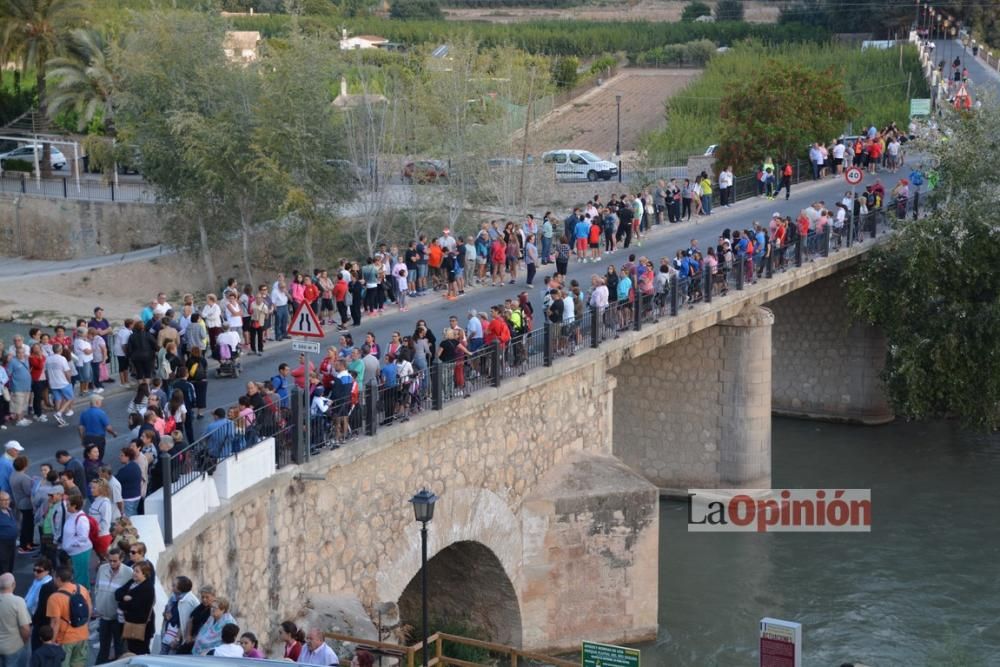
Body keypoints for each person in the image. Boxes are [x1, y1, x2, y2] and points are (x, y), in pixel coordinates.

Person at [46, 566, 92, 667]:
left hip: (65, 639)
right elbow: (89, 609)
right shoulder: (82, 589)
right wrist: (85, 627)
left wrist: (51, 642)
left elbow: (55, 622)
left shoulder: (55, 598)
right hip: (82, 636)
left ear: (58, 578)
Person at [94, 548, 132, 664]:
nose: (112, 563)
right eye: (110, 560)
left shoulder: (129, 572)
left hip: (118, 619)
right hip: (103, 617)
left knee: (119, 649)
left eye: (115, 561)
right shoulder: (102, 569)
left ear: (121, 559)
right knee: (103, 648)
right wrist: (98, 604)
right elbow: (97, 587)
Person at [114, 561, 155, 655]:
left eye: (137, 571)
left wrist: (122, 603)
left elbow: (134, 606)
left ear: (144, 574)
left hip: (139, 627)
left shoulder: (147, 588)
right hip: (129, 625)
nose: (134, 573)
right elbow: (117, 593)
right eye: (134, 571)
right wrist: (124, 597)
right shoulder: (133, 581)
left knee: (140, 652)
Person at [160, 576, 198, 656]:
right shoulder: (174, 596)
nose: (172, 587)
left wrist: (177, 639)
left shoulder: (188, 601)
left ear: (181, 588)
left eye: (174, 585)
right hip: (168, 633)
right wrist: (166, 613)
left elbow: (184, 622)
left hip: (176, 638)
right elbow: (166, 610)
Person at [61, 495, 92, 588]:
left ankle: (81, 594)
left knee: (80, 576)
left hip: (80, 551)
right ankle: (84, 592)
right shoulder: (72, 515)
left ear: (74, 506)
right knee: (80, 574)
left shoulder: (81, 519)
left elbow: (83, 537)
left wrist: (70, 545)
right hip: (74, 551)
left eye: (68, 505)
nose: (66, 507)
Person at [0, 572, 30, 667]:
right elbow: (25, 628)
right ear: (13, 584)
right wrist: (25, 642)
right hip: (12, 647)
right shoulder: (18, 602)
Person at [27, 558, 56, 651]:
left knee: (36, 647)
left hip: (41, 623)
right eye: (34, 570)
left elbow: (42, 608)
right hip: (35, 618)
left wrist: (32, 622)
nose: (35, 573)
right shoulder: (38, 581)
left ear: (47, 571)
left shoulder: (47, 586)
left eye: (39, 571)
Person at [79, 395, 116, 461]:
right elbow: (108, 428)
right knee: (98, 457)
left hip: (87, 438)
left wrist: (82, 440)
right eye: (100, 401)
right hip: (98, 439)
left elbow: (81, 428)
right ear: (97, 402)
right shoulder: (101, 413)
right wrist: (113, 433)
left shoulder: (84, 412)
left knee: (89, 456)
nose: (101, 403)